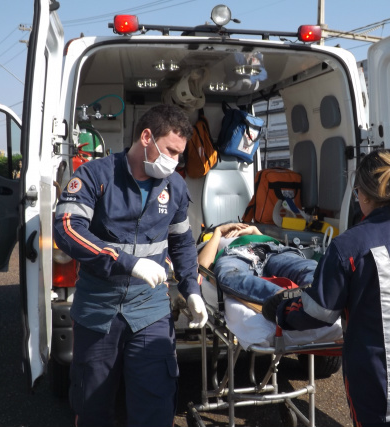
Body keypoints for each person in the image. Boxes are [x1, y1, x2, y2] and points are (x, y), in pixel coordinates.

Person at [265, 148, 390, 427]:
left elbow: (317, 313)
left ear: (364, 194)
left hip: (385, 395)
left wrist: (282, 310)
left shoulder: (350, 247)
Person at [53, 104, 208, 427]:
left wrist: (192, 290)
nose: (174, 161)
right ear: (147, 137)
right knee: (92, 407)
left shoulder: (175, 187)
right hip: (98, 311)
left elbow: (181, 243)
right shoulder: (96, 175)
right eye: (170, 151)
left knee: (155, 406)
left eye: (180, 155)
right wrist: (126, 262)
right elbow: (67, 229)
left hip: (149, 311)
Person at [198, 222, 316, 305]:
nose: (234, 230)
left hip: (270, 250)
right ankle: (282, 296)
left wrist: (254, 230)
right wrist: (218, 232)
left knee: (306, 266)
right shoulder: (212, 240)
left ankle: (315, 291)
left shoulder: (253, 233)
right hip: (236, 256)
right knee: (229, 276)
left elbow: (271, 243)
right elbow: (203, 265)